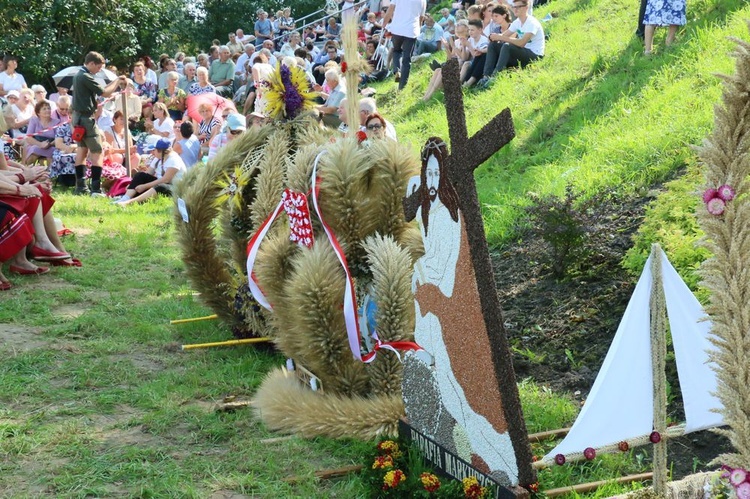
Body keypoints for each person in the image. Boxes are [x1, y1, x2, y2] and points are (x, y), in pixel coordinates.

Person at [406, 136, 518, 482]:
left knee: (464, 387)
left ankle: (495, 456)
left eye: (438, 173)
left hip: (450, 308)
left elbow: (449, 264)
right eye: (429, 174)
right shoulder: (431, 210)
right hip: (433, 307)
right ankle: (474, 451)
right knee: (447, 384)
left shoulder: (452, 217)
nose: (434, 181)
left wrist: (426, 278)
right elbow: (429, 255)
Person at [71, 51, 128, 195]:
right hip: (86, 119)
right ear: (90, 64)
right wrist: (117, 81)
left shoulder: (79, 75)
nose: (99, 70)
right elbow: (104, 92)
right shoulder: (85, 76)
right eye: (98, 67)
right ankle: (95, 189)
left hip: (78, 118)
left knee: (82, 150)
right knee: (97, 151)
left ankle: (81, 187)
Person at [475, 1, 544, 88]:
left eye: (518, 7)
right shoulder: (517, 22)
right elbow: (504, 36)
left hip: (535, 55)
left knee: (507, 46)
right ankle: (486, 76)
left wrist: (501, 38)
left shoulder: (532, 23)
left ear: (526, 8)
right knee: (493, 45)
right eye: (514, 6)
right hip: (523, 52)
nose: (515, 9)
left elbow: (522, 43)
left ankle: (495, 76)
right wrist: (493, 37)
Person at [114, 139, 186, 206]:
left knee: (161, 187)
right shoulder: (158, 158)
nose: (151, 152)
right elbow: (148, 173)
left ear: (160, 151)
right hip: (160, 182)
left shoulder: (174, 160)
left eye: (154, 150)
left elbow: (166, 180)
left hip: (173, 188)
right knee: (141, 175)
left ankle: (128, 203)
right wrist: (133, 184)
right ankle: (125, 197)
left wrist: (145, 186)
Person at [381, 0, 427, 91]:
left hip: (397, 29)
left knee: (396, 51)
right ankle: (402, 86)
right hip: (411, 31)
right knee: (407, 59)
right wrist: (418, 29)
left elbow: (390, 10)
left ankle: (397, 70)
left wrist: (384, 25)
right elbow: (421, 18)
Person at [423, 21, 471, 101]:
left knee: (444, 70)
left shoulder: (469, 41)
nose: (460, 34)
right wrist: (447, 48)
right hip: (454, 64)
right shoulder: (457, 41)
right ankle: (427, 94)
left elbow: (464, 58)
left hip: (462, 66)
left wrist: (455, 46)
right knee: (438, 70)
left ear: (467, 31)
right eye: (458, 32)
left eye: (462, 32)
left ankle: (430, 96)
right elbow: (450, 58)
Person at [24, 100, 60, 165]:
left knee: (52, 151)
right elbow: (28, 137)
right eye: (44, 109)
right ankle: (27, 170)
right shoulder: (34, 120)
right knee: (34, 149)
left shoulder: (56, 122)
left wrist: (48, 145)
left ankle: (49, 173)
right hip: (35, 144)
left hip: (50, 145)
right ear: (38, 113)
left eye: (48, 108)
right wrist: (40, 144)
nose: (47, 110)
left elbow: (58, 137)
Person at [461, 19, 489, 88]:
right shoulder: (470, 39)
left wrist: (469, 45)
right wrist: (464, 47)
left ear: (480, 30)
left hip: (480, 63)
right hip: (473, 62)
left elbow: (478, 57)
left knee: (467, 63)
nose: (470, 32)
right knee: (465, 63)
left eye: (472, 30)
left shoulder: (484, 40)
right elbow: (464, 58)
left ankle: (464, 83)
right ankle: (459, 82)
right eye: (469, 30)